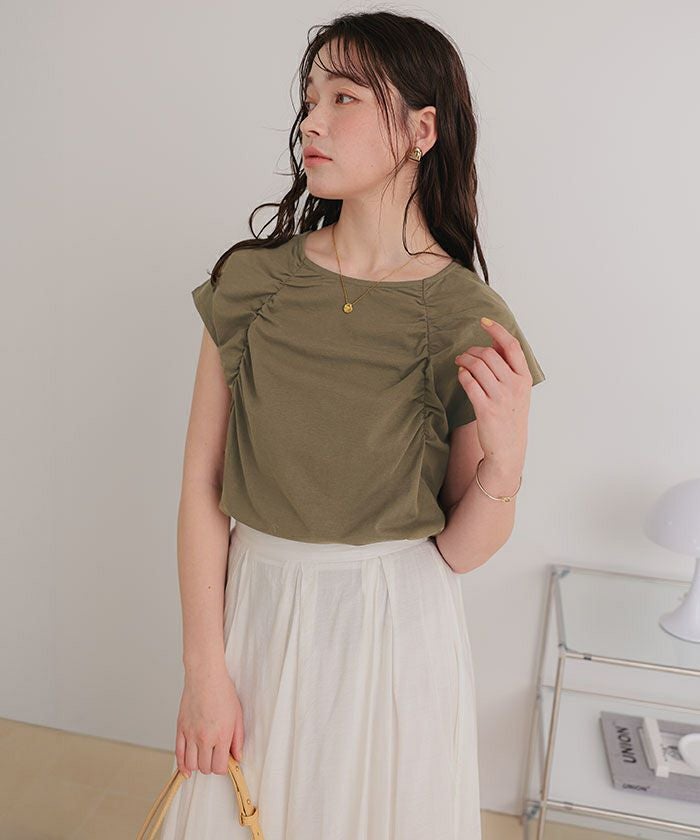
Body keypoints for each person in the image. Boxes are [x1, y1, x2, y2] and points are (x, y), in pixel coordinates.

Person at [160, 10, 545, 840]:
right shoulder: (250, 283)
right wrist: (203, 671)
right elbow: (200, 485)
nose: (312, 121)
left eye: (344, 98)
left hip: (394, 635)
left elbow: (459, 551)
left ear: (421, 130)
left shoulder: (468, 315)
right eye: (309, 99)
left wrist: (507, 462)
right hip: (258, 615)